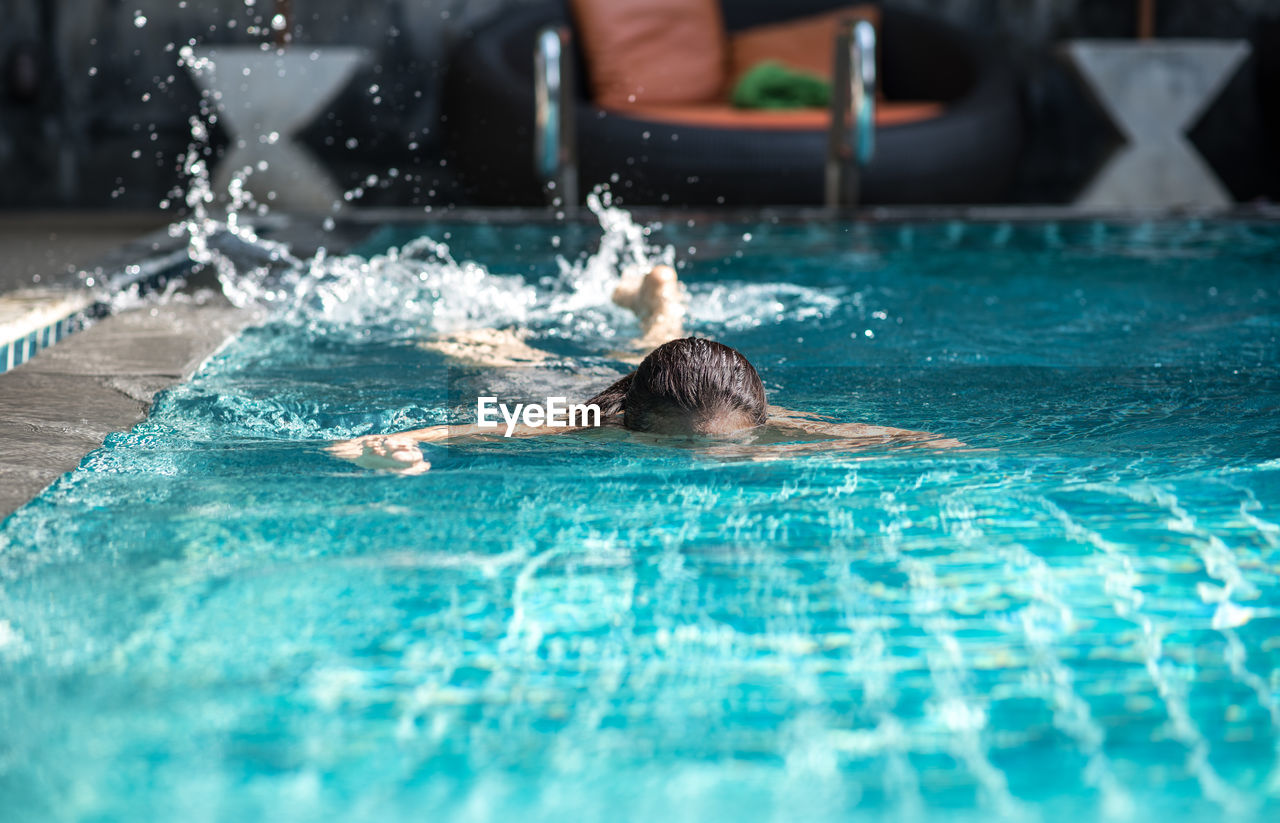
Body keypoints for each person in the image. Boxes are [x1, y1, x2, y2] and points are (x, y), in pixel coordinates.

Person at [329, 266, 959, 474]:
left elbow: (879, 438)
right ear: (630, 419)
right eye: (677, 448)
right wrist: (386, 450)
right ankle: (653, 305)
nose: (703, 464)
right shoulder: (571, 420)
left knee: (660, 347)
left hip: (656, 383)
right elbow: (375, 440)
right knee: (489, 351)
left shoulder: (741, 416)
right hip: (553, 390)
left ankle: (659, 305)